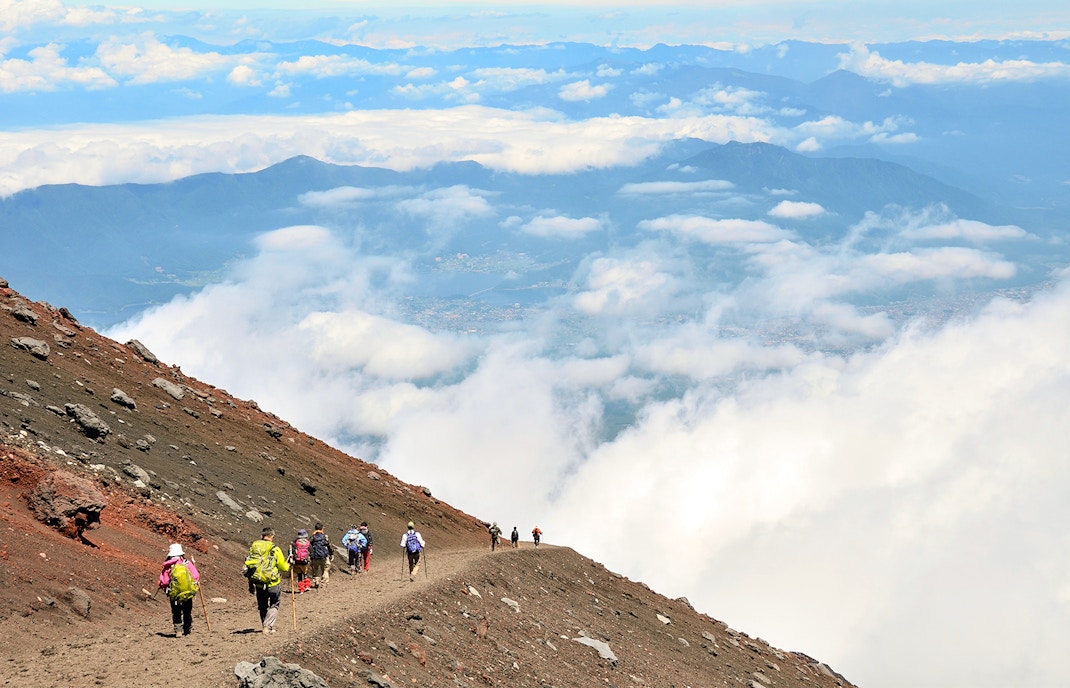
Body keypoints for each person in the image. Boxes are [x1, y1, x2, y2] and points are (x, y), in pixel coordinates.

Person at [244, 527, 290, 634]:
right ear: (272, 537)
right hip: (273, 582)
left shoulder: (254, 548)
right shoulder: (275, 549)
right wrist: (288, 565)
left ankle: (264, 624)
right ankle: (268, 626)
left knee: (262, 606)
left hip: (259, 583)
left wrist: (251, 584)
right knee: (274, 604)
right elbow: (283, 567)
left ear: (262, 536)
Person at [158, 543, 200, 637]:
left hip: (174, 593)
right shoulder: (186, 563)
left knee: (176, 611)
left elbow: (164, 581)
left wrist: (161, 585)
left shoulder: (168, 565)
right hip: (187, 593)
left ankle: (178, 631)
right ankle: (187, 630)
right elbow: (196, 576)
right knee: (187, 611)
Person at [308, 522, 332, 588]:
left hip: (315, 556)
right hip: (324, 556)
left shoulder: (312, 537)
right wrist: (331, 554)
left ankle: (316, 581)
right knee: (325, 570)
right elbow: (329, 546)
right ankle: (324, 584)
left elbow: (309, 545)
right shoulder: (325, 537)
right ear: (322, 529)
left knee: (315, 569)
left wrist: (311, 554)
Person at [289, 528, 312, 593]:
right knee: (305, 574)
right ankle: (307, 586)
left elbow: (291, 552)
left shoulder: (295, 543)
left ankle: (301, 589)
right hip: (305, 561)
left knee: (299, 575)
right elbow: (311, 551)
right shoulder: (307, 543)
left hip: (297, 561)